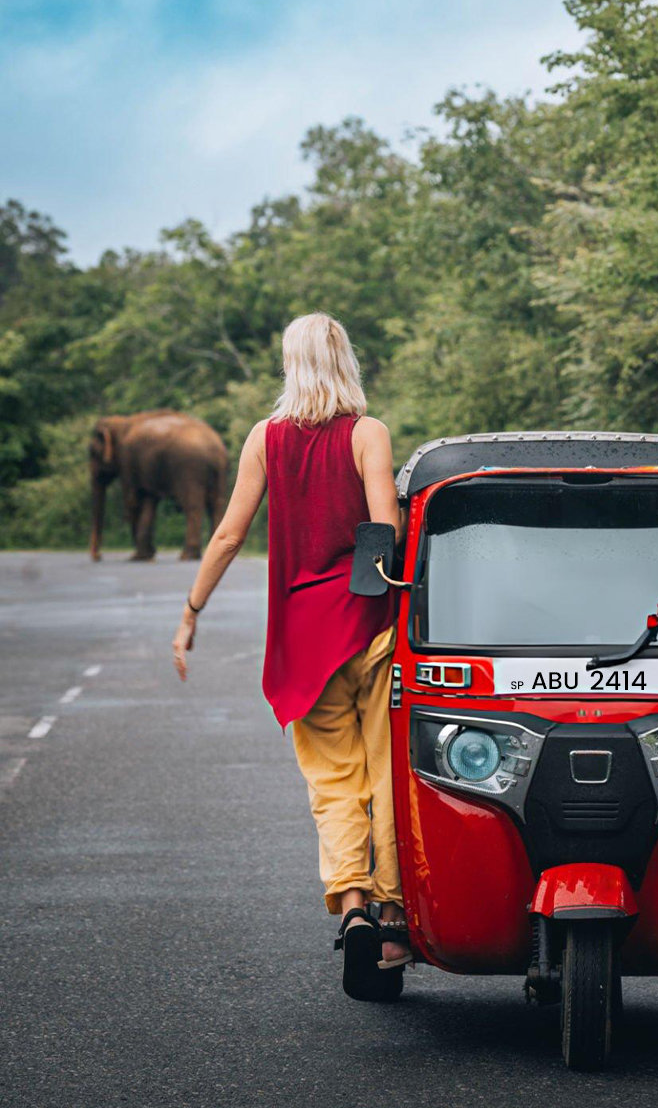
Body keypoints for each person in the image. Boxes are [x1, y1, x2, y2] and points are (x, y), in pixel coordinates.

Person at [171, 312, 410, 1000]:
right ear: (347, 362)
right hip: (368, 628)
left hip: (305, 641)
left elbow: (225, 535)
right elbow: (382, 537)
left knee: (333, 783)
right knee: (386, 773)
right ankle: (394, 916)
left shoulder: (263, 439)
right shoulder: (369, 434)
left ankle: (354, 903)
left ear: (289, 365)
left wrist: (190, 614)